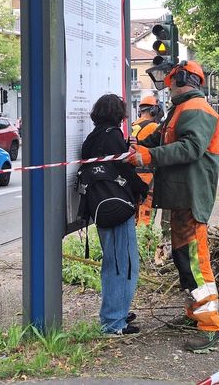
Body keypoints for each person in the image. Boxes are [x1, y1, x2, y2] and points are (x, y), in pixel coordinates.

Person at [126, 60, 219, 353]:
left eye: (170, 81)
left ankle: (211, 326)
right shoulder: (178, 111)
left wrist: (148, 157)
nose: (167, 87)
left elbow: (190, 148)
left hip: (192, 195)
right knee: (184, 258)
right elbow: (160, 139)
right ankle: (196, 313)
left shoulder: (196, 110)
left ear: (182, 79)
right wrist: (139, 146)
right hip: (181, 196)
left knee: (195, 260)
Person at [81, 94, 148, 336]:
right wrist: (143, 187)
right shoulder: (112, 136)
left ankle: (116, 311)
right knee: (124, 264)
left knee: (113, 262)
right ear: (118, 114)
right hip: (118, 206)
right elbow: (124, 170)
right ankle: (113, 322)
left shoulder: (92, 137)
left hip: (99, 206)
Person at [131, 95, 161, 226]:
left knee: (134, 211)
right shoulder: (154, 127)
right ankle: (145, 242)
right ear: (154, 110)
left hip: (133, 175)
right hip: (148, 176)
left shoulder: (132, 125)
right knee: (146, 212)